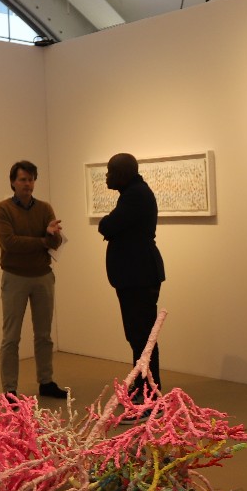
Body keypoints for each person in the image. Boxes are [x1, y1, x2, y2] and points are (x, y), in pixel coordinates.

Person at [0, 160, 68, 399]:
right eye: (23, 179)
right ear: (13, 182)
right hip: (15, 277)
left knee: (44, 335)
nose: (28, 184)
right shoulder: (2, 209)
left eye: (31, 179)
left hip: (43, 276)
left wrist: (50, 237)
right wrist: (43, 240)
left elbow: (56, 242)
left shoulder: (45, 208)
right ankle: (10, 390)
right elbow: (10, 243)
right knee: (11, 337)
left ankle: (46, 382)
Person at [97, 153, 165, 401]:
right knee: (139, 336)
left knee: (142, 337)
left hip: (139, 276)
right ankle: (142, 386)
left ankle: (148, 392)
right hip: (137, 275)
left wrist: (108, 225)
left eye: (110, 171)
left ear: (122, 173)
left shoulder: (135, 195)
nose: (107, 176)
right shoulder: (133, 193)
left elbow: (107, 226)